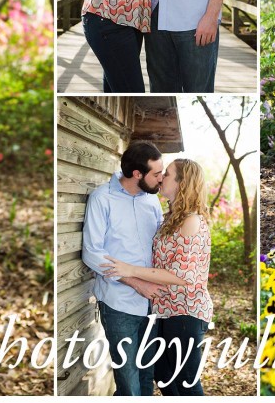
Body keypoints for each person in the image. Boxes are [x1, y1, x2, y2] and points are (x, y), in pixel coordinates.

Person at [102, 159, 213, 396]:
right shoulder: (172, 217)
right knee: (163, 375)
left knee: (185, 381)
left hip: (186, 312)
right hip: (165, 310)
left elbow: (181, 276)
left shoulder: (191, 221)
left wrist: (129, 270)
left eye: (168, 174)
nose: (161, 178)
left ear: (183, 183)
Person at [80, 142, 167, 396]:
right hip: (118, 304)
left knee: (146, 375)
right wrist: (137, 283)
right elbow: (92, 253)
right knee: (129, 383)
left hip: (152, 304)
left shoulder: (152, 202)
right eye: (156, 174)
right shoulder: (102, 198)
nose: (161, 179)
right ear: (137, 174)